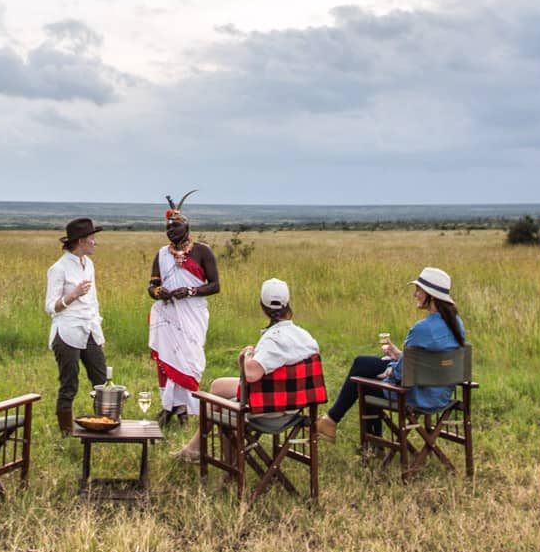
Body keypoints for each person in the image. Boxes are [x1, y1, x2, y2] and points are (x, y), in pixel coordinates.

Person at [171, 277, 319, 462]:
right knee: (218, 386)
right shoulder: (306, 337)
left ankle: (223, 463)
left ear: (262, 307)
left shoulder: (273, 339)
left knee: (219, 404)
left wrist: (248, 354)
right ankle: (194, 448)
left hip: (271, 410)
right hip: (296, 406)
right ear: (287, 305)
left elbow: (252, 374)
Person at [316, 266, 465, 444]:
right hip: (441, 394)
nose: (415, 294)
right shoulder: (457, 323)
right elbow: (432, 361)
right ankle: (331, 421)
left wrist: (391, 370)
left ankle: (368, 443)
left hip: (417, 396)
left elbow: (402, 375)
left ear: (431, 295)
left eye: (418, 290)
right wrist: (399, 356)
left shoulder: (422, 329)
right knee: (362, 363)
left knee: (363, 383)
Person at [146, 192, 220, 426]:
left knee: (189, 358)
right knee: (169, 359)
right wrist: (160, 293)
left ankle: (185, 408)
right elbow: (152, 285)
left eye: (175, 227)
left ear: (186, 227)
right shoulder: (161, 254)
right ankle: (172, 407)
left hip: (193, 314)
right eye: (168, 228)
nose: (170, 231)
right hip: (167, 314)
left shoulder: (202, 251)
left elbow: (215, 285)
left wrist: (189, 291)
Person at [46, 217, 108, 436]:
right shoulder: (58, 268)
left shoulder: (88, 264)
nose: (95, 243)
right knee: (69, 384)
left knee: (101, 381)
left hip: (89, 330)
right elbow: (50, 307)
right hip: (67, 332)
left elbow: (93, 301)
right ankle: (66, 433)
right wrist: (72, 295)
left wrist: (99, 335)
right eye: (92, 239)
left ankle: (106, 425)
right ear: (81, 241)